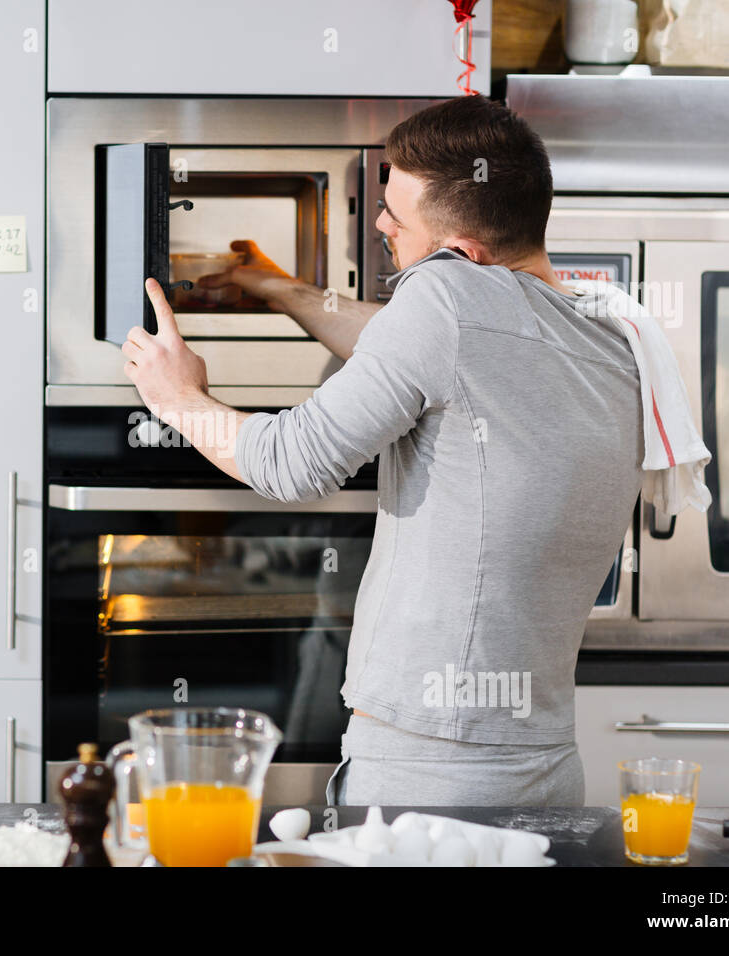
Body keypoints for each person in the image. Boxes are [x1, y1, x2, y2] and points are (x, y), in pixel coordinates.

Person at [119, 94, 644, 806]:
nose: (380, 222)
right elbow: (411, 344)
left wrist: (178, 398)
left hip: (430, 772)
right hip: (545, 763)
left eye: (398, 214)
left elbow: (288, 463)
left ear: (465, 257)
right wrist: (275, 286)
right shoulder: (605, 340)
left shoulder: (448, 302)